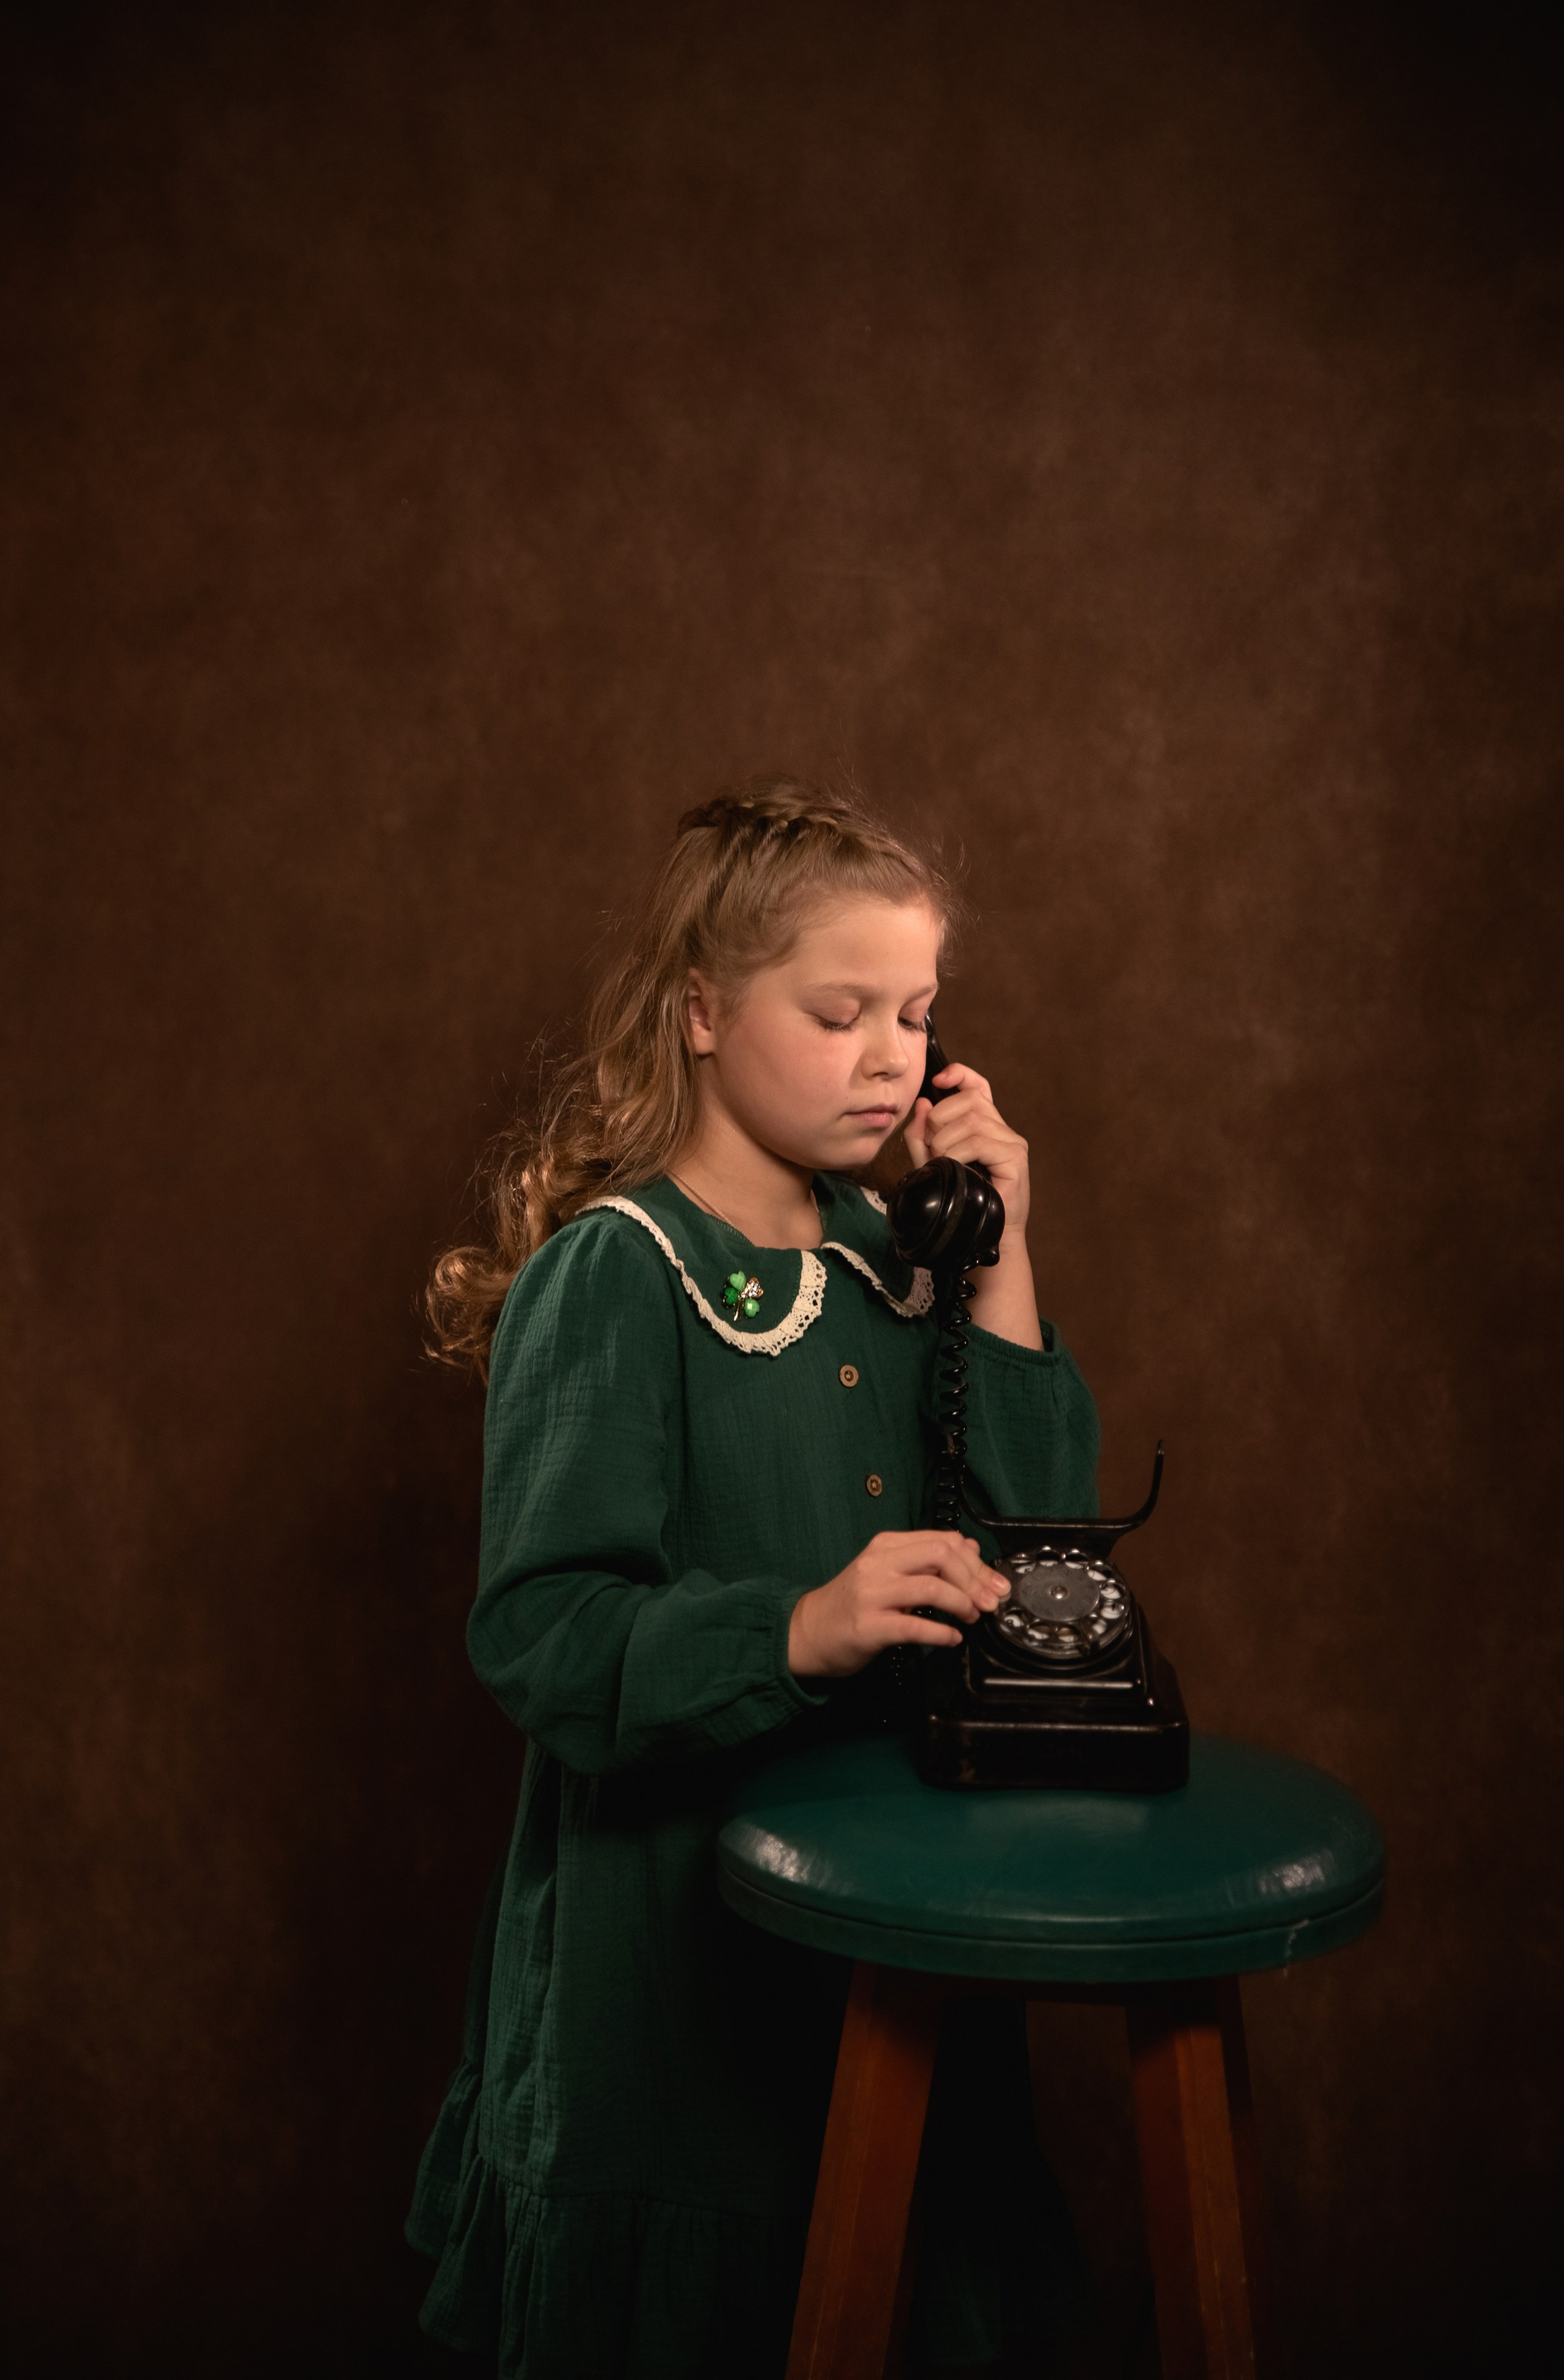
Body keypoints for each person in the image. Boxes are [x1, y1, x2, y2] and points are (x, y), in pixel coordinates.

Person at [408, 780, 1101, 2377]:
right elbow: (543, 1634)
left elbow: (1042, 1552)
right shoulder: (619, 1271)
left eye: (916, 1015)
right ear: (704, 1011)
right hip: (674, 1981)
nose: (892, 1059)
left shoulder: (900, 1254)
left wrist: (1001, 1254)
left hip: (897, 1935)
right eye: (839, 1013)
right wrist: (799, 1626)